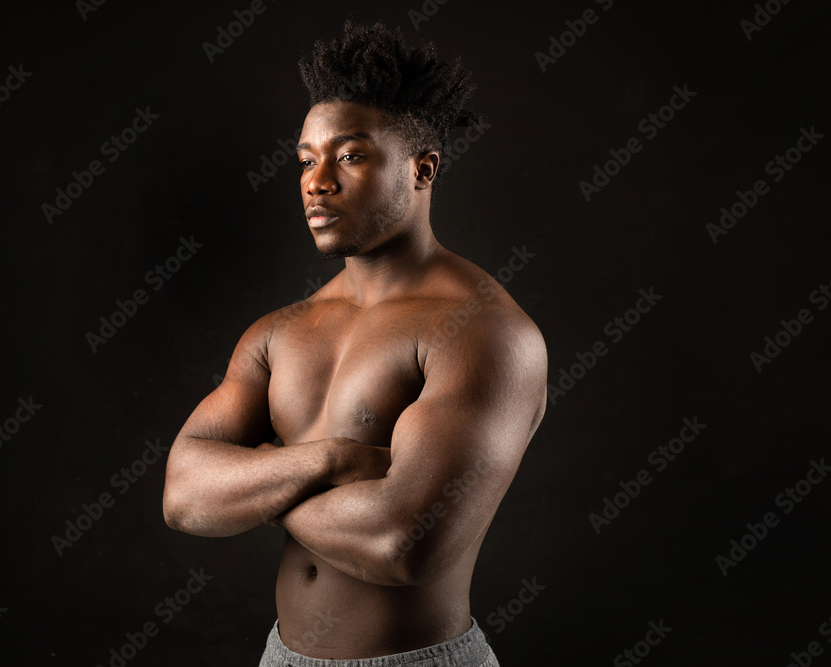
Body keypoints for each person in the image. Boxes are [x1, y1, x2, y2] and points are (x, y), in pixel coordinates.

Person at [163, 20, 547, 667]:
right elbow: (181, 493)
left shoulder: (487, 332)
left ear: (422, 169)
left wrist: (257, 483)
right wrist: (335, 461)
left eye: (350, 155)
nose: (317, 181)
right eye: (307, 159)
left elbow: (404, 541)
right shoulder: (280, 330)